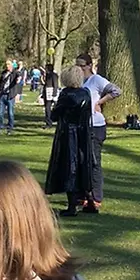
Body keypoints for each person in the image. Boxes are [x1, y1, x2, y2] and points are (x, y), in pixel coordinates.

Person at [44, 65, 93, 217]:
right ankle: (89, 200)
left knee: (69, 167)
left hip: (68, 134)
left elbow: (54, 115)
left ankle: (72, 206)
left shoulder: (67, 94)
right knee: (83, 165)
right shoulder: (86, 93)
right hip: (83, 133)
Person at [77, 53, 121, 214]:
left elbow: (116, 91)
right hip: (81, 126)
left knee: (94, 162)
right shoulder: (78, 81)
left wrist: (99, 102)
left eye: (82, 65)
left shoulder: (97, 80)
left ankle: (96, 197)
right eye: (78, 65)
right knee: (81, 161)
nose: (80, 68)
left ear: (89, 65)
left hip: (95, 126)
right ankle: (82, 194)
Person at [0, 59, 18, 135]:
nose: (7, 66)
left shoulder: (14, 73)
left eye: (8, 64)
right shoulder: (3, 73)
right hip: (2, 95)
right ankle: (0, 126)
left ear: (12, 65)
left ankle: (10, 128)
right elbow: (0, 82)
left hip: (10, 95)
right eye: (6, 64)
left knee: (10, 113)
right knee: (0, 113)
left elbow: (18, 77)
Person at [42, 64, 59, 128]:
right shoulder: (48, 75)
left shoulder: (53, 75)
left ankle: (50, 121)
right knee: (47, 108)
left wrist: (54, 93)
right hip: (46, 91)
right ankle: (48, 121)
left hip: (50, 92)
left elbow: (55, 84)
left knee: (49, 107)